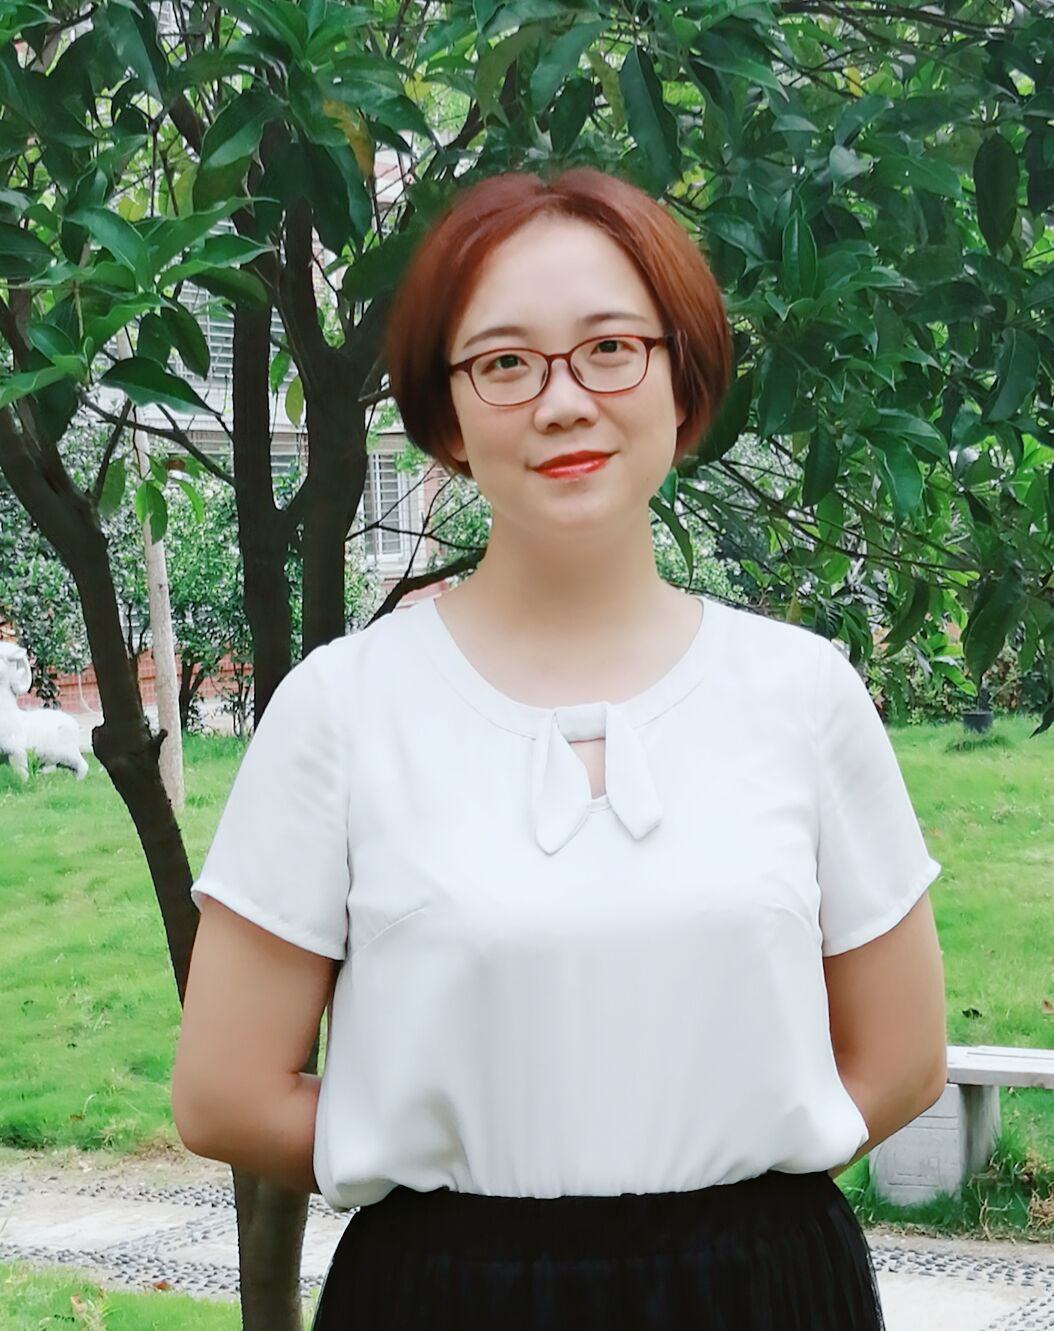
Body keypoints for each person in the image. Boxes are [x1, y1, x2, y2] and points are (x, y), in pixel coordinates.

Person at [172, 165, 947, 1329]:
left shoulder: (801, 693)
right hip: (444, 1294)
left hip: (764, 1288)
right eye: (504, 363)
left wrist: (718, 1206)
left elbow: (902, 1056)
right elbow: (224, 1092)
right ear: (446, 412)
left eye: (610, 348)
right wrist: (460, 1189)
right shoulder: (343, 707)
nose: (564, 401)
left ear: (681, 377)